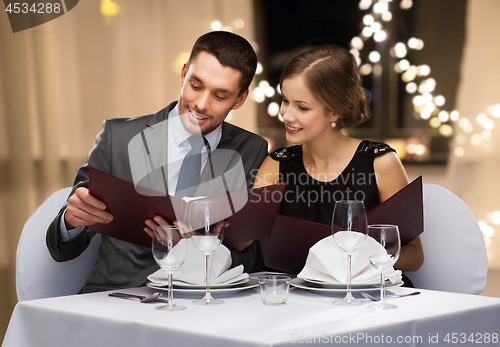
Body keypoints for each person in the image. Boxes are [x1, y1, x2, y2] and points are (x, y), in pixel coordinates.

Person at [46, 31, 268, 293]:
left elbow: (252, 257)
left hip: (203, 305)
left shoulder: (251, 149)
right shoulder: (117, 138)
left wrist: (202, 247)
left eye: (220, 96)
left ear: (240, 99)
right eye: (196, 85)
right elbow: (62, 249)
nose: (201, 104)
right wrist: (70, 223)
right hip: (118, 300)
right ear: (184, 73)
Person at [252, 45, 424, 278]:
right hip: (300, 301)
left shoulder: (380, 163)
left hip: (366, 299)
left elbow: (415, 255)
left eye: (302, 107)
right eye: (285, 101)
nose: (287, 114)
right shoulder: (276, 165)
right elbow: (247, 240)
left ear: (334, 112)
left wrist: (359, 263)